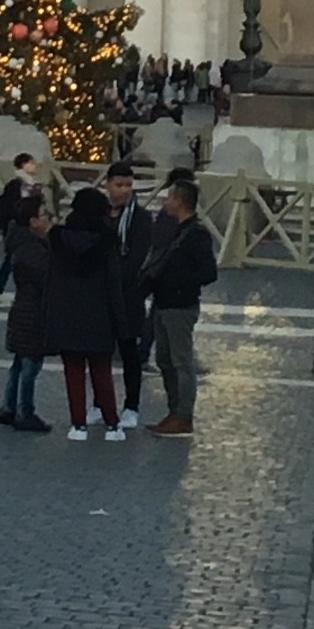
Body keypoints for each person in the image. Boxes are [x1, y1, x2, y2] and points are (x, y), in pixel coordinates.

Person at [44, 183, 129, 441]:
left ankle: (78, 424)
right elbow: (114, 284)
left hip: (67, 314)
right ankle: (112, 423)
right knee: (101, 370)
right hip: (99, 314)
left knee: (73, 371)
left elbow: (50, 281)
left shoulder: (58, 239)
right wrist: (121, 323)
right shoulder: (106, 242)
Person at [141, 177, 220, 436]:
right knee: (165, 359)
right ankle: (174, 411)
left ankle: (184, 415)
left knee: (181, 361)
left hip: (180, 305)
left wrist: (177, 282)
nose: (166, 201)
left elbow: (209, 271)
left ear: (180, 201)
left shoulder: (196, 234)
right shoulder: (177, 229)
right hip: (164, 303)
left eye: (170, 197)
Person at [101, 160, 155, 427]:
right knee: (99, 353)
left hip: (128, 294)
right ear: (107, 184)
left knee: (130, 353)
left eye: (128, 185)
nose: (124, 190)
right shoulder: (98, 213)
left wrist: (116, 280)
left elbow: (137, 258)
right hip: (100, 295)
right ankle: (100, 403)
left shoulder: (141, 218)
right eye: (119, 185)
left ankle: (131, 405)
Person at [0, 199, 53, 431]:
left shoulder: (21, 244)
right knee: (30, 365)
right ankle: (24, 411)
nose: (49, 218)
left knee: (19, 363)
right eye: (44, 214)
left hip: (22, 310)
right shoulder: (34, 250)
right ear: (33, 221)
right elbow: (45, 280)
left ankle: (9, 407)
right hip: (33, 312)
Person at [0, 154, 39, 297]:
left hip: (30, 226)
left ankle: (4, 290)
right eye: (31, 163)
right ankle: (0, 290)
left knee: (19, 258)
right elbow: (5, 206)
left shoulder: (32, 184)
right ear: (24, 164)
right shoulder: (16, 185)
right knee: (12, 259)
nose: (35, 166)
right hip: (16, 226)